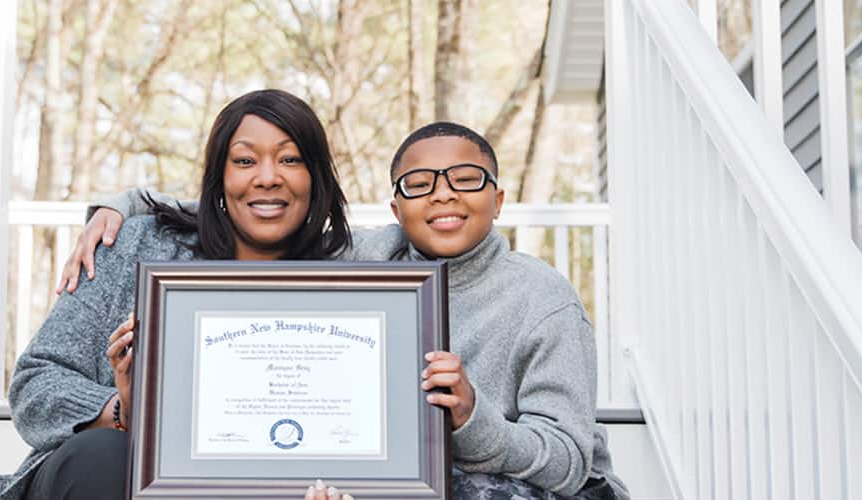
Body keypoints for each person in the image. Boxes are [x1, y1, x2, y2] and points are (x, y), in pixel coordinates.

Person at [70, 122, 627, 499]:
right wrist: (120, 206)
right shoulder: (366, 257)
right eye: (419, 184)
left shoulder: (544, 301)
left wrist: (471, 417)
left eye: (466, 180)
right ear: (396, 206)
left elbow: (569, 463)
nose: (443, 196)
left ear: (498, 199)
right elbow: (257, 208)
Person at [0, 89, 369, 500]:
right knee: (102, 454)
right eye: (244, 160)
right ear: (219, 177)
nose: (268, 177)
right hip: (113, 477)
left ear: (317, 177)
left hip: (263, 483)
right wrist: (123, 410)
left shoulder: (356, 278)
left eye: (290, 159)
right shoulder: (138, 246)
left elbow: (432, 224)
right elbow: (33, 385)